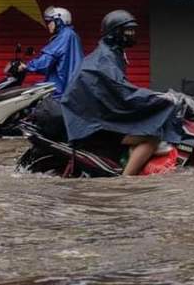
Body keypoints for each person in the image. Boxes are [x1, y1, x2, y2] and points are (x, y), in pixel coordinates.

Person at [60, 10, 184, 176]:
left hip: (93, 119)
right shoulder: (105, 59)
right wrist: (160, 98)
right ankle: (126, 180)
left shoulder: (112, 53)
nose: (131, 35)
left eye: (133, 31)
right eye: (127, 31)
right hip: (93, 127)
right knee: (153, 136)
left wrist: (153, 95)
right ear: (114, 33)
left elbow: (122, 88)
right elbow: (123, 92)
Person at [16, 6, 84, 98]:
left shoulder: (65, 35)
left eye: (50, 22)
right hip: (66, 85)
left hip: (61, 89)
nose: (48, 25)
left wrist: (27, 66)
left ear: (59, 21)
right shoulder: (70, 34)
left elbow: (48, 59)